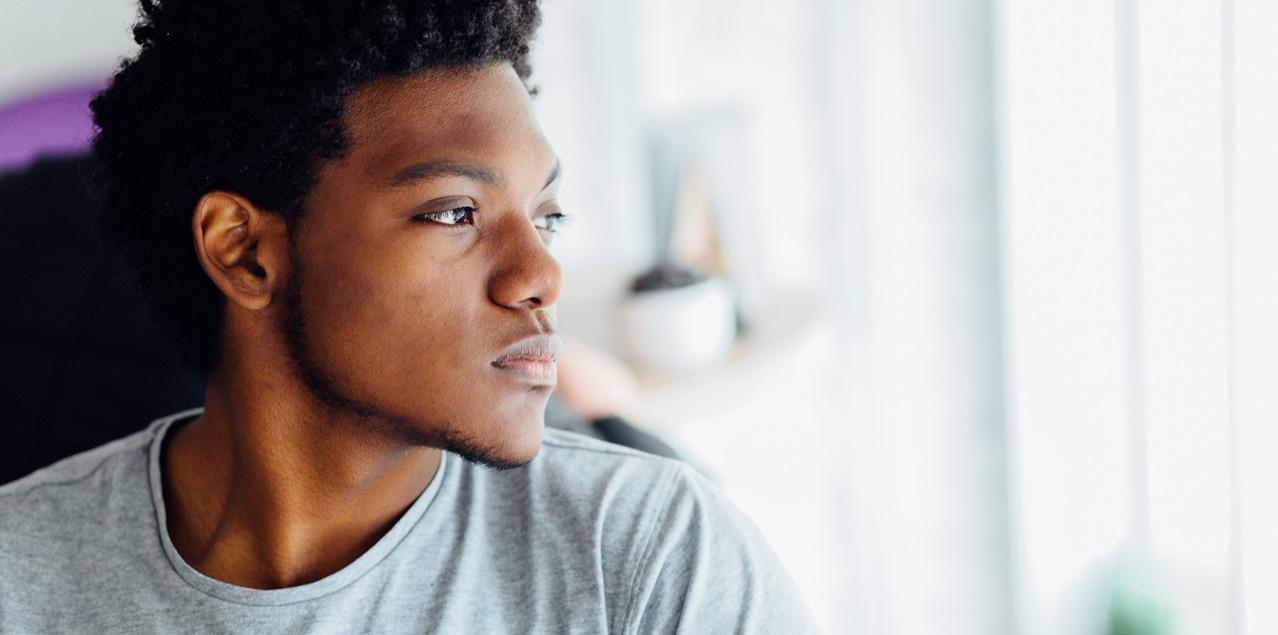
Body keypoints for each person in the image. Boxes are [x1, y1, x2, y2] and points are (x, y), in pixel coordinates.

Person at [0, 0, 819, 632]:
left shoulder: (651, 558)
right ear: (244, 253)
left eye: (548, 217)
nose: (540, 274)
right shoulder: (20, 577)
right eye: (455, 213)